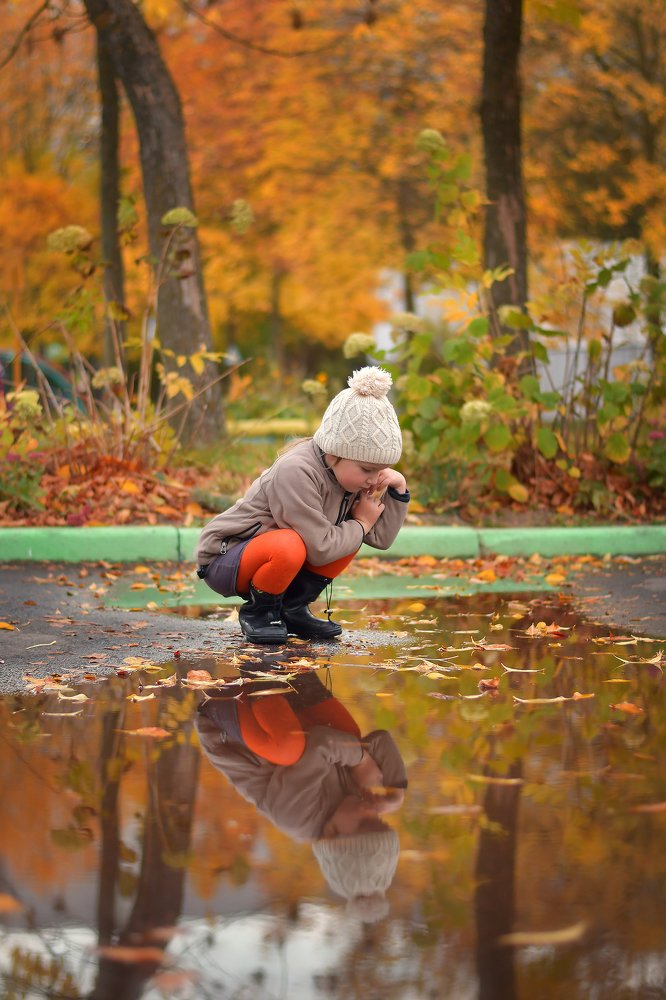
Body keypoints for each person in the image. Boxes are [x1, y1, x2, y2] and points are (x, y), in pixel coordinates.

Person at [196, 366, 409, 643]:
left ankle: (291, 609)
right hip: (228, 557)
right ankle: (259, 613)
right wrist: (362, 522)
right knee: (294, 543)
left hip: (279, 559)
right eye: (368, 469)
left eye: (381, 470)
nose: (373, 480)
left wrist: (398, 490)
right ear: (335, 453)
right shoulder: (297, 470)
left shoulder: (350, 478)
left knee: (349, 535)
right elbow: (320, 549)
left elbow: (378, 538)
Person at [195, 662, 406, 922]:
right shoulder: (351, 803)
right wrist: (396, 790)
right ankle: (291, 663)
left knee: (292, 749)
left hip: (223, 717)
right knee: (349, 736)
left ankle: (260, 663)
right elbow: (381, 739)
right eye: (380, 821)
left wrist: (361, 760)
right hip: (271, 713)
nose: (373, 811)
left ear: (331, 834)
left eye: (365, 822)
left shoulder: (297, 819)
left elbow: (319, 744)